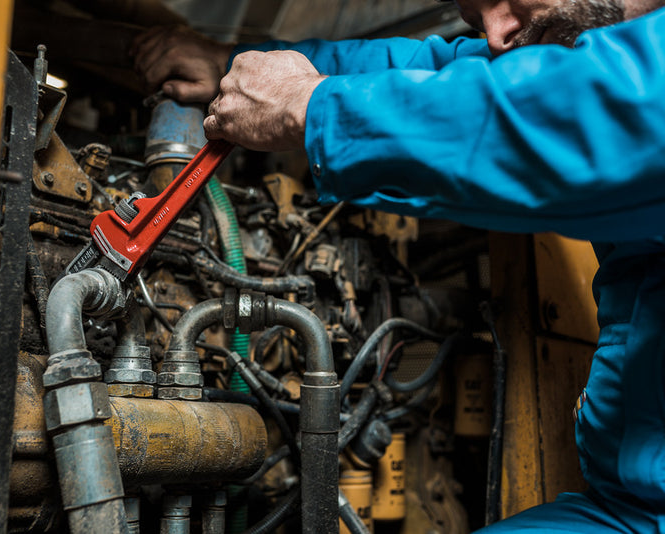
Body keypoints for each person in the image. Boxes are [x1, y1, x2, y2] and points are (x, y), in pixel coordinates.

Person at [131, 0, 665, 531]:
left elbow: (609, 113)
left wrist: (313, 108)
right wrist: (241, 66)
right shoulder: (577, 37)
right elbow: (441, 69)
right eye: (477, 17)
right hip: (630, 501)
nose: (497, 33)